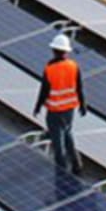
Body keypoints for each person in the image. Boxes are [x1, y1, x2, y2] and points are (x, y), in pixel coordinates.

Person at [33, 33, 85, 174]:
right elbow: (79, 87)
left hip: (54, 111)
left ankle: (62, 171)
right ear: (67, 51)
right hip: (69, 110)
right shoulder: (74, 66)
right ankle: (77, 165)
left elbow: (44, 91)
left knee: (58, 143)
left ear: (53, 50)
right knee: (68, 134)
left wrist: (37, 107)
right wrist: (82, 105)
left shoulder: (50, 68)